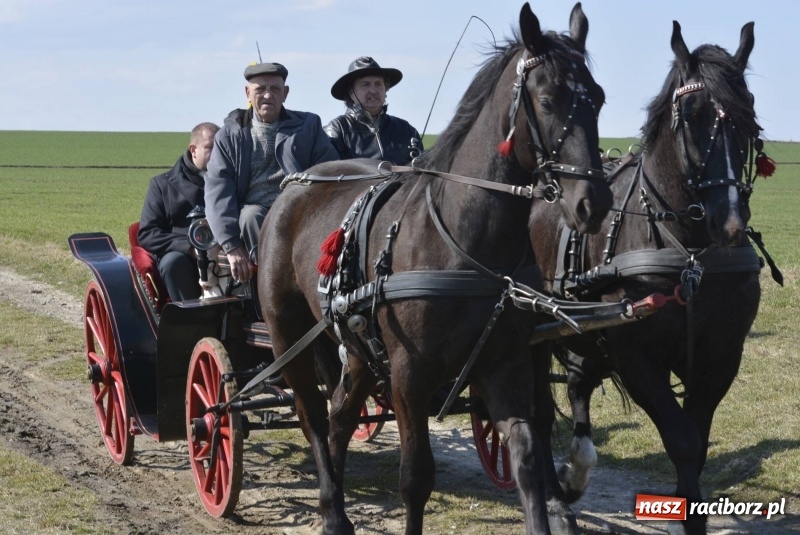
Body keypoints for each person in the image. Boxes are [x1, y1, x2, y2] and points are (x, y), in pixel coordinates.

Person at [205, 61, 339, 283]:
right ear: (248, 93)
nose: (268, 95)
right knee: (249, 216)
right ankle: (273, 284)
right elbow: (218, 191)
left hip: (300, 210)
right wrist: (231, 245)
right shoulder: (230, 136)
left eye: (275, 89)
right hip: (255, 215)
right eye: (260, 89)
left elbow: (328, 172)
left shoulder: (308, 127)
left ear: (285, 93)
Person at [138, 122, 220, 301]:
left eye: (221, 148)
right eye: (210, 148)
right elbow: (148, 233)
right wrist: (190, 248)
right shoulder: (162, 185)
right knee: (173, 262)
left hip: (223, 253)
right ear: (193, 150)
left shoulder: (231, 183)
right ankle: (192, 322)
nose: (217, 154)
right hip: (183, 257)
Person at [325, 56, 423, 165]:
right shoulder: (337, 130)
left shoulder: (406, 130)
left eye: (378, 84)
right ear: (351, 93)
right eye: (365, 85)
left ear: (385, 91)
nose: (373, 90)